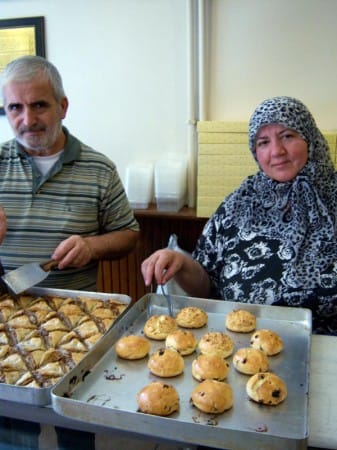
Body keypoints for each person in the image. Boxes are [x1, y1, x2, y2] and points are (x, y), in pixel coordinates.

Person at [0, 55, 139, 449]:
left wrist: (92, 245)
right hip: (9, 312)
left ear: (62, 105)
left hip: (81, 320)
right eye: (15, 107)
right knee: (12, 421)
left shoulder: (99, 169)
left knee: (74, 420)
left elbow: (128, 235)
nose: (28, 119)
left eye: (39, 104)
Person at [142, 96, 337, 336]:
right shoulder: (237, 205)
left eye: (287, 136)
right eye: (263, 142)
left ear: (310, 138)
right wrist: (180, 262)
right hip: (238, 350)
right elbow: (206, 287)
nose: (276, 151)